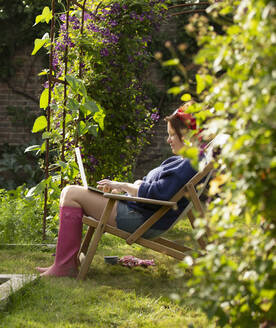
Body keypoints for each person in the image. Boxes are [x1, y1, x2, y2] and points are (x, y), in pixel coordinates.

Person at [37, 103, 200, 277]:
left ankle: (64, 266)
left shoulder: (188, 164)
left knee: (71, 193)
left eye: (172, 135)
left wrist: (121, 185)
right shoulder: (183, 161)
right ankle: (66, 263)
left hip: (140, 219)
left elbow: (157, 194)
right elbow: (152, 188)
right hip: (139, 211)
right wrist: (124, 191)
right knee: (69, 192)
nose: (168, 140)